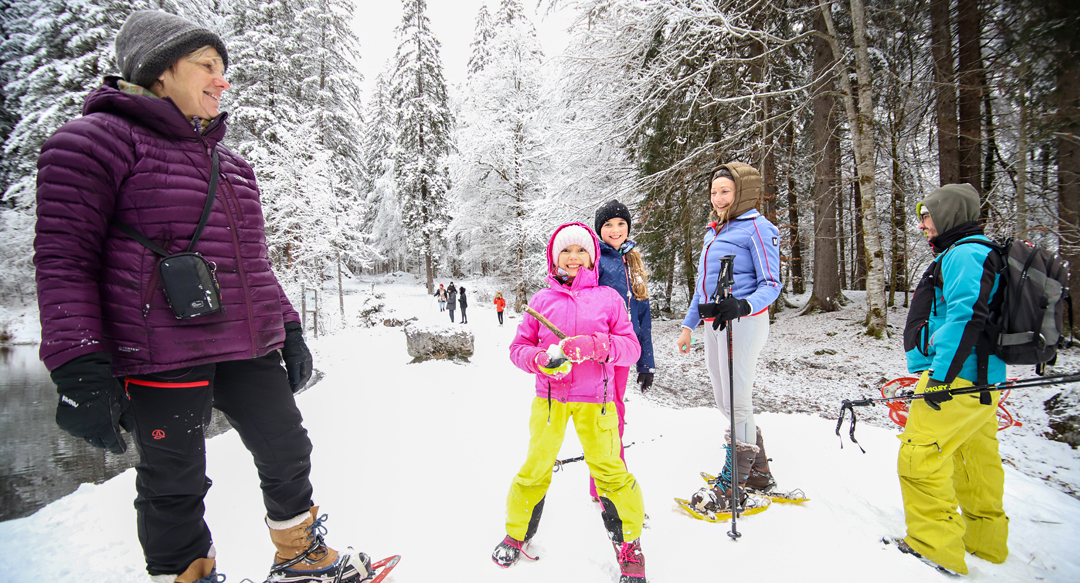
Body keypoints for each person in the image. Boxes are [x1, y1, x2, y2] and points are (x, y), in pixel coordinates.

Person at [33, 11, 372, 583]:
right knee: (174, 480)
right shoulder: (90, 143)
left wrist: (286, 328)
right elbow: (64, 260)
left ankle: (300, 555)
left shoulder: (232, 166)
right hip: (160, 350)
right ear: (158, 72)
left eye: (225, 69)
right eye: (207, 66)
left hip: (248, 342)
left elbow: (254, 264)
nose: (223, 81)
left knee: (288, 448)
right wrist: (77, 365)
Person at [493, 223, 646, 582]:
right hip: (550, 401)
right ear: (554, 257)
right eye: (565, 251)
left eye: (580, 251)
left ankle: (629, 546)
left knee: (611, 474)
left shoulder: (609, 298)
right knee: (535, 468)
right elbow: (517, 349)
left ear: (592, 257)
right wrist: (539, 360)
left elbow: (631, 348)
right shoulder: (541, 301)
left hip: (599, 403)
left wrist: (597, 346)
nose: (573, 257)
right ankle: (517, 533)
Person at [890, 183, 1008, 575]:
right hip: (979, 382)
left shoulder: (965, 255)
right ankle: (985, 544)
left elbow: (965, 317)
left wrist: (940, 378)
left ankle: (933, 548)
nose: (922, 224)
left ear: (949, 215)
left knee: (920, 457)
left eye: (927, 216)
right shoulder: (973, 252)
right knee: (975, 462)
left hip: (955, 380)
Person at [675, 163, 781, 515]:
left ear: (743, 193)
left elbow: (771, 284)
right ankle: (758, 473)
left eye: (725, 191)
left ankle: (735, 484)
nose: (718, 198)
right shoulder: (714, 231)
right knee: (724, 399)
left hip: (744, 323)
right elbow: (703, 286)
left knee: (738, 400)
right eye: (714, 191)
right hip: (714, 323)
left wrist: (744, 304)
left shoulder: (758, 228)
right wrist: (689, 326)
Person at [589, 200, 656, 502]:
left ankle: (602, 483)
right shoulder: (595, 261)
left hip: (626, 351)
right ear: (599, 230)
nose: (615, 230)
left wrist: (646, 363)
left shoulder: (634, 262)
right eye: (608, 225)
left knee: (614, 410)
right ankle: (612, 483)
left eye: (620, 224)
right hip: (601, 349)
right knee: (608, 412)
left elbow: (643, 318)